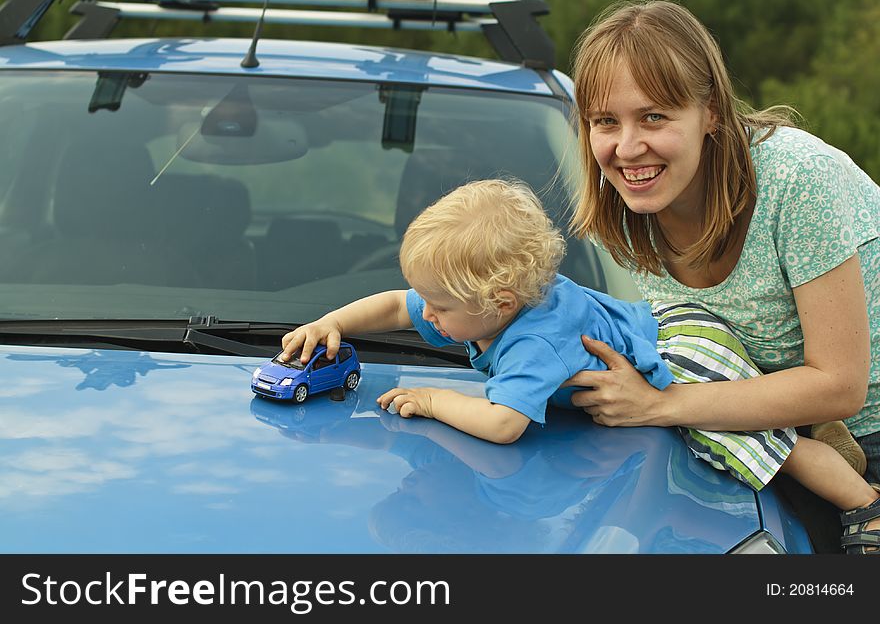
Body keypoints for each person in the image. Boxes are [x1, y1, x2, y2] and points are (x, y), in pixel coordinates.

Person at [279, 178, 880, 552]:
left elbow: (503, 425)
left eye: (439, 308)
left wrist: (433, 399)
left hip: (681, 355)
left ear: (501, 306)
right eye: (416, 495)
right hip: (661, 327)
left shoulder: (533, 344)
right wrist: (330, 324)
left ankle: (860, 501)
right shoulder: (477, 303)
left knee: (747, 447)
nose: (427, 317)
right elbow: (391, 305)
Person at [567, 0, 880, 553]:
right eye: (605, 122)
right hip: (778, 438)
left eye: (654, 116)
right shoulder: (633, 200)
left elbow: (841, 384)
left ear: (711, 111)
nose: (627, 146)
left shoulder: (795, 179)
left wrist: (660, 404)